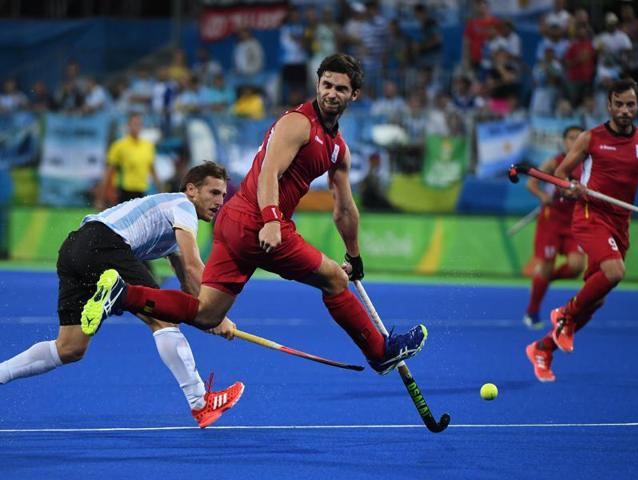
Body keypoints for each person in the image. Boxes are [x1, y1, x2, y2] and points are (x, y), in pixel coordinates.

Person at [82, 53, 428, 379]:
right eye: (326, 84)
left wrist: (354, 254)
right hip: (258, 222)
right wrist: (273, 219)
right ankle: (380, 353)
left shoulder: (339, 149)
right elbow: (268, 172)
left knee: (206, 313)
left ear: (355, 95)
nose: (331, 93)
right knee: (335, 280)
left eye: (340, 88)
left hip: (236, 223)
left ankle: (123, 295)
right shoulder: (298, 123)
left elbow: (344, 208)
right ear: (317, 84)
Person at [0, 162, 244, 428]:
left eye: (223, 194)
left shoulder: (171, 222)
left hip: (73, 249)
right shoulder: (182, 206)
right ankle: (200, 403)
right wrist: (219, 316)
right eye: (213, 193)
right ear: (192, 190)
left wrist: (208, 317)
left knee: (70, 348)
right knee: (163, 319)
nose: (220, 201)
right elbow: (194, 267)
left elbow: (189, 286)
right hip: (106, 244)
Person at [526, 79, 638, 382]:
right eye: (620, 104)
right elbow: (561, 175)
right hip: (591, 214)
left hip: (620, 222)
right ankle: (563, 314)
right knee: (615, 272)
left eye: (631, 104)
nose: (626, 110)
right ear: (609, 105)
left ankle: (542, 347)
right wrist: (570, 189)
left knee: (596, 298)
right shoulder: (591, 138)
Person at [522, 126, 586, 329]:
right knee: (546, 264)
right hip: (551, 221)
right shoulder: (554, 162)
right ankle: (532, 312)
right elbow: (531, 184)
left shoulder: (588, 165)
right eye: (570, 138)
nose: (574, 141)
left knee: (576, 267)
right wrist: (543, 196)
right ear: (564, 141)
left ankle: (546, 279)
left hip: (574, 222)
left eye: (579, 138)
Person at [95, 112, 163, 210]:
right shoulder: (119, 146)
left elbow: (153, 172)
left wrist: (162, 194)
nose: (137, 127)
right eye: (134, 124)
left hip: (141, 191)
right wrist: (100, 199)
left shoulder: (148, 146)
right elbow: (108, 173)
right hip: (123, 192)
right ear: (128, 126)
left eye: (139, 124)